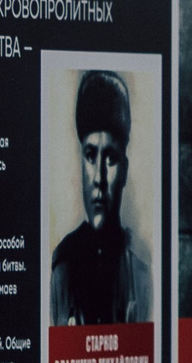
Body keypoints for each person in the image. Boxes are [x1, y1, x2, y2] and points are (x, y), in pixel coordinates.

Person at [53, 70, 152, 326]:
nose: (99, 177)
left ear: (125, 172)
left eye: (110, 158)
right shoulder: (61, 272)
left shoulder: (141, 272)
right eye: (90, 156)